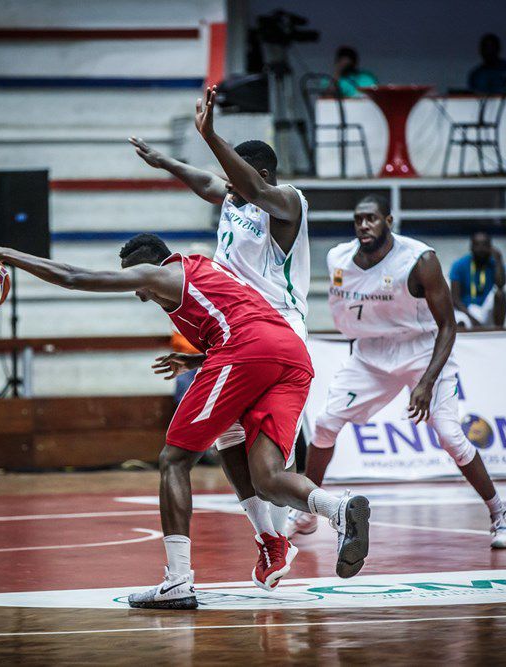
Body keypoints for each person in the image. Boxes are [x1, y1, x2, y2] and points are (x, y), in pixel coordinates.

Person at [0, 235, 371, 610]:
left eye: (135, 283)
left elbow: (76, 277)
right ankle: (335, 511)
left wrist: (9, 255)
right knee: (262, 471)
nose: (139, 294)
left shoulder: (159, 273)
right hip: (290, 355)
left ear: (145, 268)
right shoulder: (204, 270)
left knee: (174, 458)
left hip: (248, 351)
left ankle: (178, 580)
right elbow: (243, 321)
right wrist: (196, 360)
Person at [130, 85, 310, 577]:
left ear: (261, 176)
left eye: (235, 180)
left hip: (278, 327)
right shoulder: (234, 201)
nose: (224, 189)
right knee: (227, 438)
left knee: (263, 447)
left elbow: (243, 186)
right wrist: (165, 161)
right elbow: (210, 184)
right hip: (234, 332)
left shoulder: (287, 203)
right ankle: (271, 537)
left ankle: (301, 501)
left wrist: (209, 134)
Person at [288, 196, 506, 548]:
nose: (364, 225)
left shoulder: (419, 260)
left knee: (450, 436)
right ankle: (307, 513)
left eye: (372, 218)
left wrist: (426, 382)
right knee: (324, 423)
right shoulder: (339, 257)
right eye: (358, 219)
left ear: (389, 220)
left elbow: (448, 326)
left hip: (422, 347)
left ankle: (501, 515)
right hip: (372, 352)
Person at [450, 231, 506, 328]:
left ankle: (499, 330)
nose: (481, 249)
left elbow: (501, 285)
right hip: (466, 310)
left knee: (500, 294)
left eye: (485, 245)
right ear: (471, 247)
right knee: (460, 322)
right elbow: (455, 299)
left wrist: (498, 260)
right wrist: (472, 319)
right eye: (477, 245)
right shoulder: (459, 265)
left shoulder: (495, 264)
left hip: (486, 308)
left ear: (490, 247)